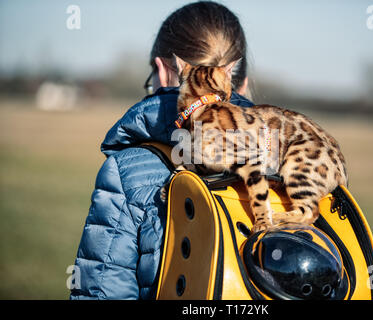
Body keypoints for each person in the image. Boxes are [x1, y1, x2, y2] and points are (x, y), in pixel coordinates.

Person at [70, 1, 253, 299]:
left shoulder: (127, 173)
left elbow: (102, 291)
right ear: (240, 85)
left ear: (163, 73)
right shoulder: (288, 161)